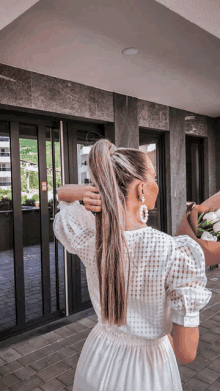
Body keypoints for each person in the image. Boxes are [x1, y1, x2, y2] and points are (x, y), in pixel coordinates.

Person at [53, 139, 212, 391]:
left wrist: (85, 194)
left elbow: (63, 197)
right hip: (148, 370)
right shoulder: (172, 251)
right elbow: (186, 353)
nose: (157, 185)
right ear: (140, 189)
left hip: (98, 357)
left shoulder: (91, 240)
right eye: (154, 177)